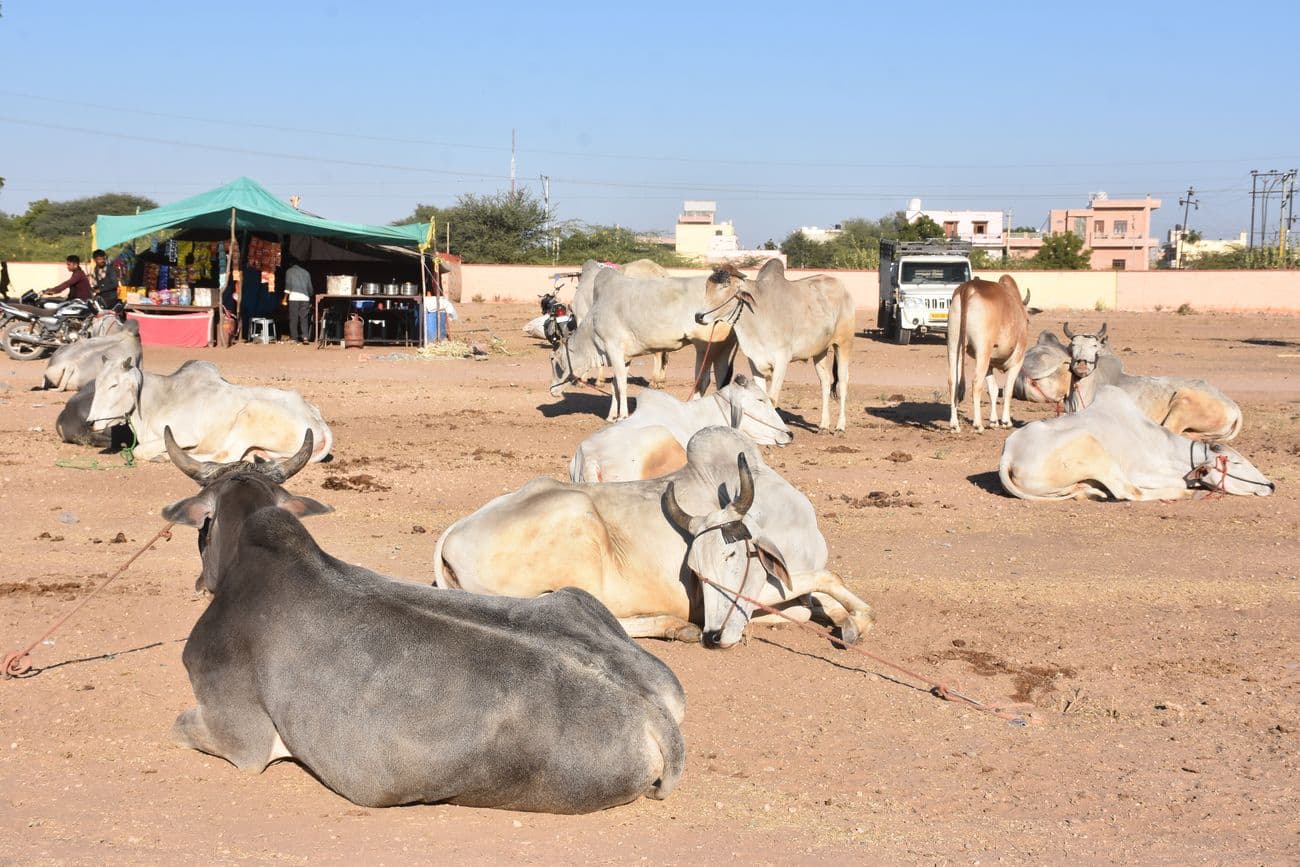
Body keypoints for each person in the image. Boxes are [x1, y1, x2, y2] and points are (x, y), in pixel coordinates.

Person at [285, 258, 314, 344]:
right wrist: (310, 295)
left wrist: (284, 298)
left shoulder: (289, 272)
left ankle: (294, 338)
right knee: (304, 318)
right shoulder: (306, 273)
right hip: (305, 298)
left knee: (293, 318)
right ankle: (305, 337)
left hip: (294, 298)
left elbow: (288, 287)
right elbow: (310, 289)